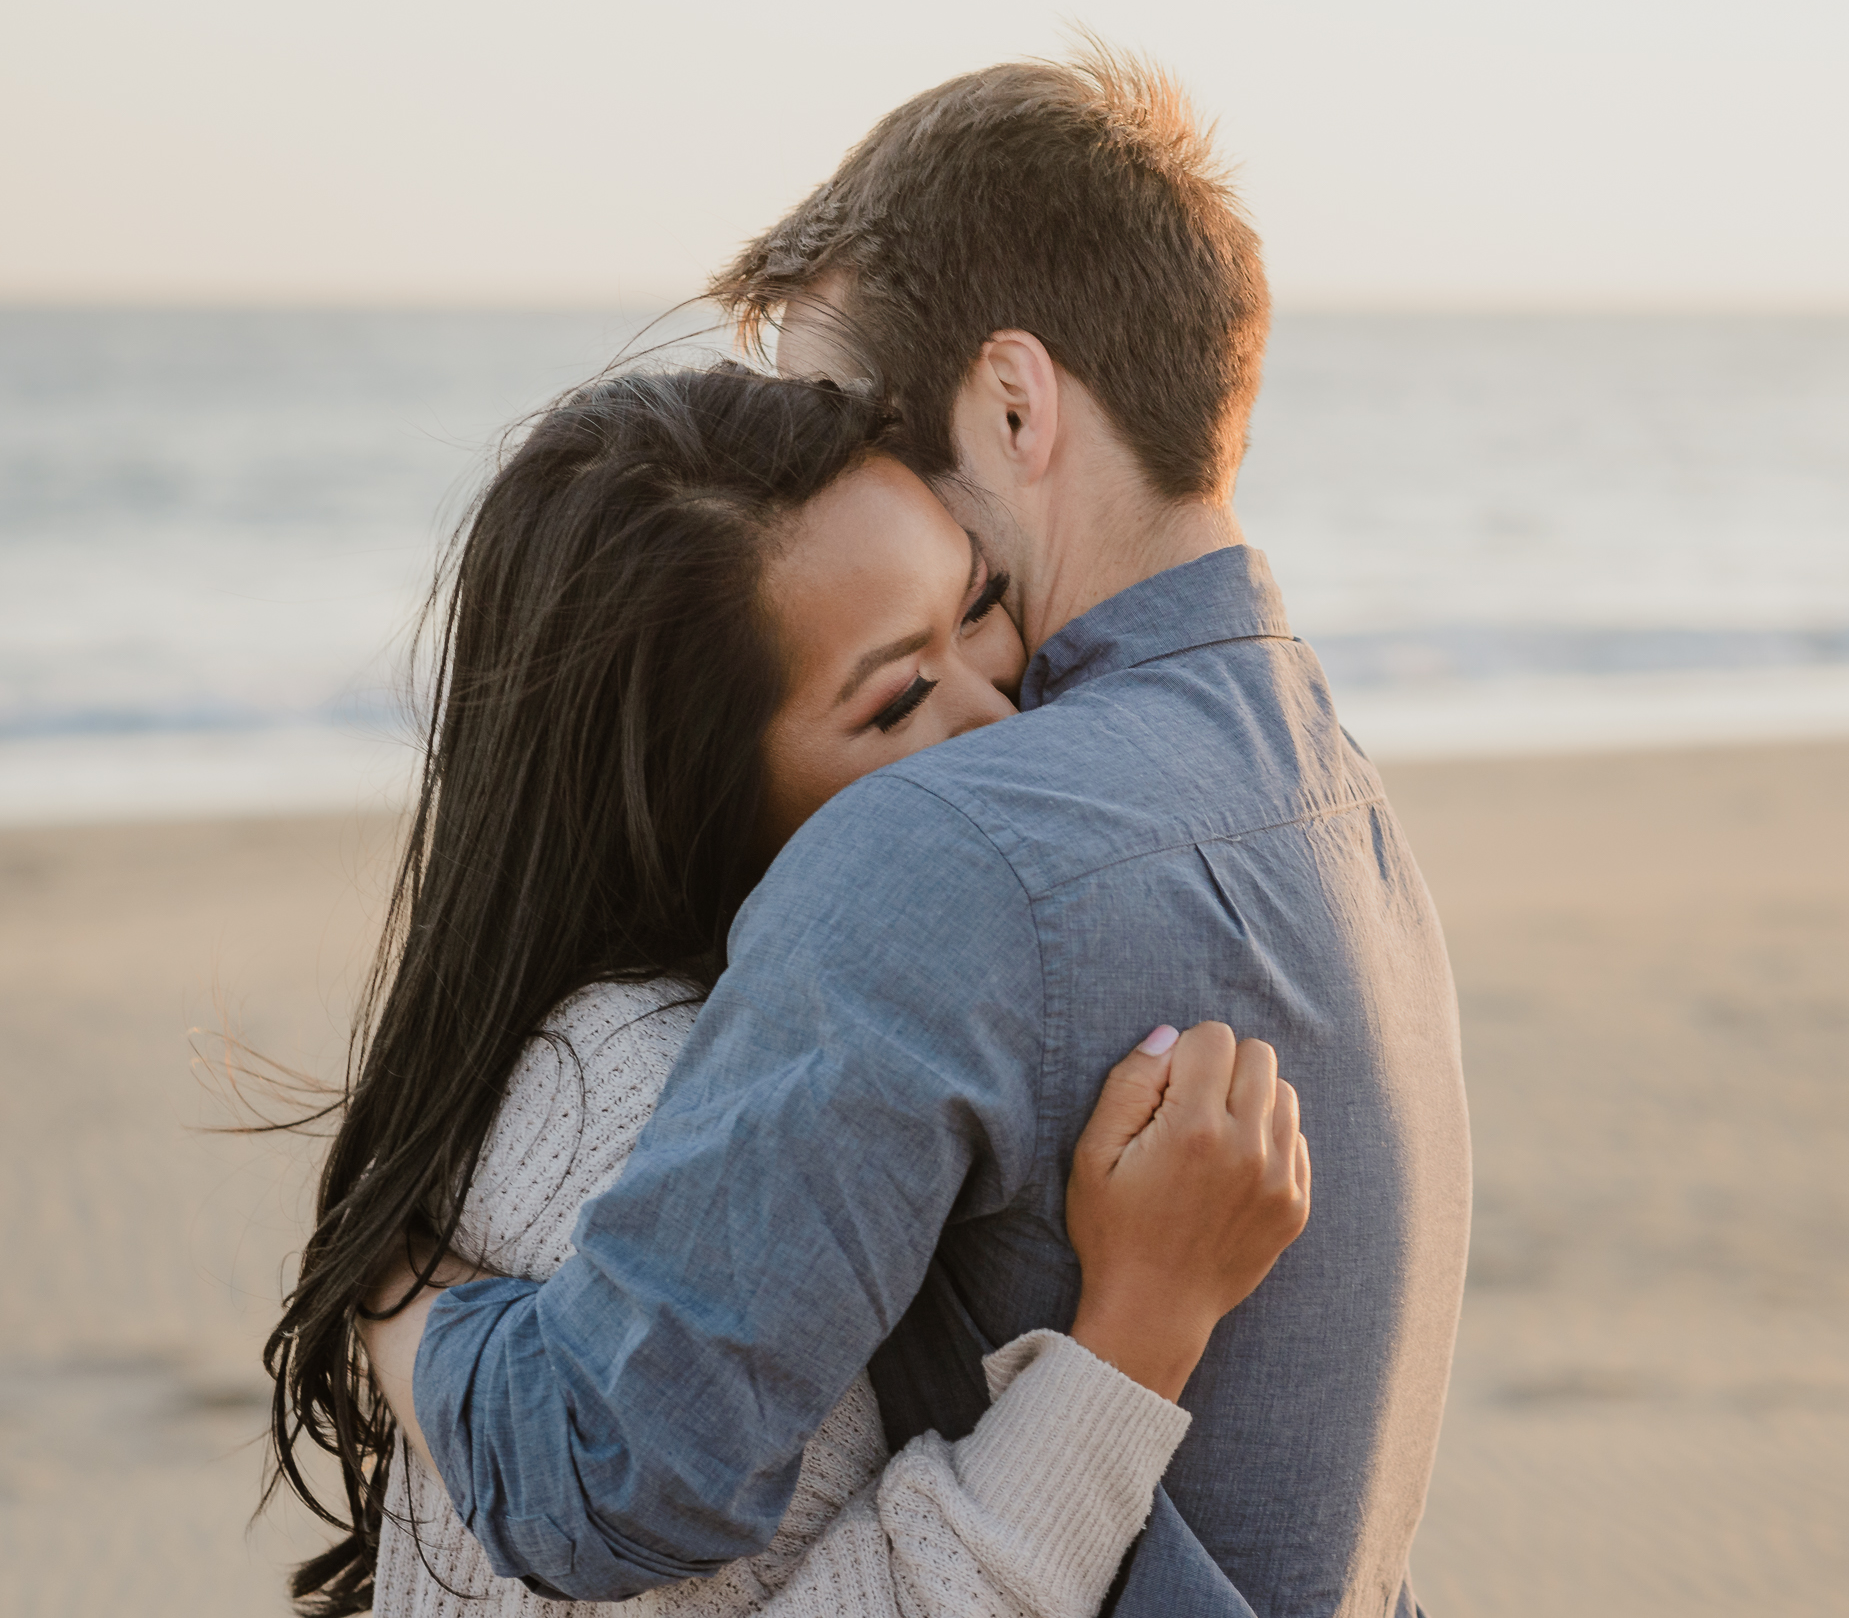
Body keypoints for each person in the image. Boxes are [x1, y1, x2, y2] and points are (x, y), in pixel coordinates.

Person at [375, 46, 1472, 1617]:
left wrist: (395, 1302)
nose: (832, 467)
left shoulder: (939, 852)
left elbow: (619, 1472)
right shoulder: (1345, 805)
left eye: (850, 413)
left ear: (1016, 402)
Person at [265, 365, 1311, 1617]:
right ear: (683, 794)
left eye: (977, 608)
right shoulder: (639, 1094)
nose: (1001, 714)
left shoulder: (633, 1045)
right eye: (899, 698)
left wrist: (409, 1325)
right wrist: (1136, 1336)